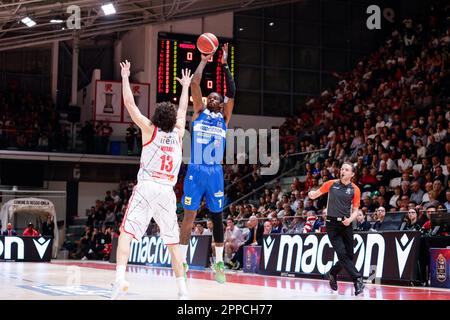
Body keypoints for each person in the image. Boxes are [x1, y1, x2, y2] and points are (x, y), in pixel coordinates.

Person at [111, 61, 192, 300]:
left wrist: (125, 76)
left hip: (147, 187)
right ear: (173, 120)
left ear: (156, 117)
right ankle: (183, 290)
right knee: (173, 244)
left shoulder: (150, 129)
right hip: (167, 191)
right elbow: (184, 110)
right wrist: (185, 86)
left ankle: (119, 280)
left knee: (126, 233)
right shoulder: (178, 134)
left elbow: (129, 104)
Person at [179, 43, 236, 284]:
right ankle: (181, 261)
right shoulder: (199, 111)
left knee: (217, 218)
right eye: (211, 96)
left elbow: (232, 92)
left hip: (214, 172)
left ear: (221, 105)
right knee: (189, 217)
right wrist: (204, 60)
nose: (214, 98)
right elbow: (194, 84)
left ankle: (220, 263)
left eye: (217, 98)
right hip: (195, 169)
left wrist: (223, 65)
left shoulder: (224, 117)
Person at [308, 162, 364, 296]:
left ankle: (332, 272)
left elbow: (356, 210)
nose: (343, 171)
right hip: (332, 224)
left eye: (346, 169)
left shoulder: (355, 189)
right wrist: (311, 194)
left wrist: (350, 220)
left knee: (349, 255)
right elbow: (316, 194)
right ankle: (357, 279)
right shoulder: (331, 184)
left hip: (346, 224)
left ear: (352, 174)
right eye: (342, 169)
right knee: (342, 253)